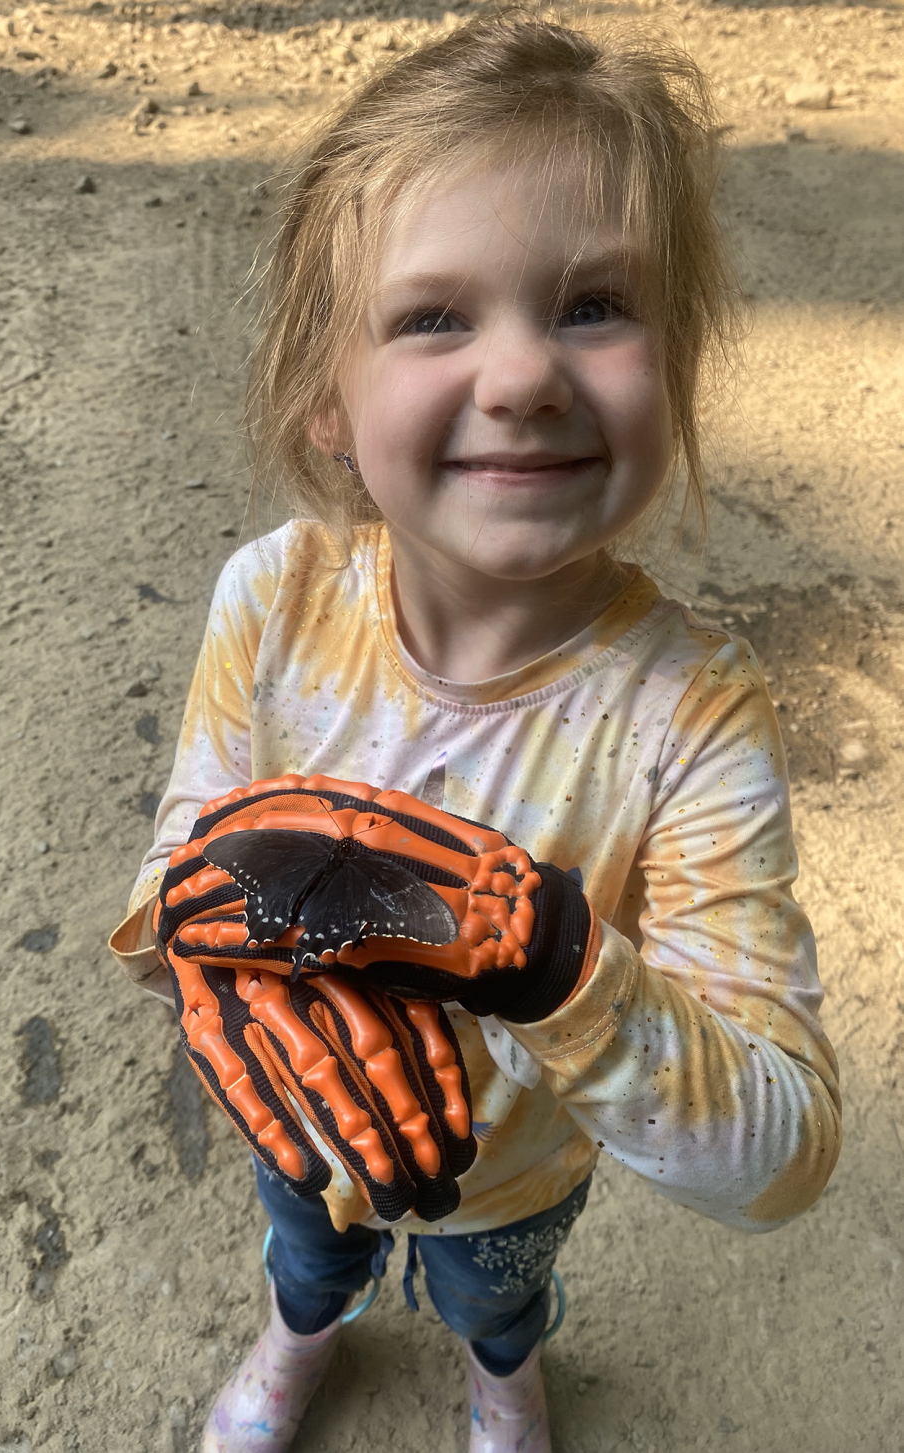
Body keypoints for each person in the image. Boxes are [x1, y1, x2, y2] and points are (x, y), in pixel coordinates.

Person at [108, 14, 842, 1452]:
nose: (521, 376)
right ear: (327, 394)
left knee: (495, 1292)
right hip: (302, 1127)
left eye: (591, 306)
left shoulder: (689, 713)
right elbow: (172, 859)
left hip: (515, 1171)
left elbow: (781, 1158)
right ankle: (298, 1337)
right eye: (433, 316)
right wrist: (194, 939)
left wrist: (550, 960)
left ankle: (503, 1371)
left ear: (676, 362)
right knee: (308, 1251)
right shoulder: (271, 597)